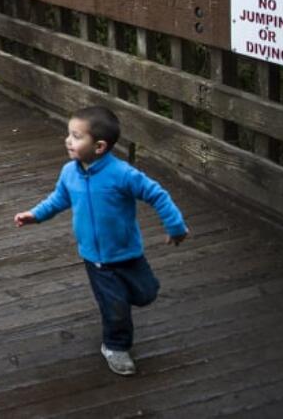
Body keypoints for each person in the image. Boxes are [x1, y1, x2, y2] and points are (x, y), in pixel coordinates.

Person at [14, 106, 188, 377]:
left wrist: (175, 226)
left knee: (146, 294)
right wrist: (35, 215)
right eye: (68, 134)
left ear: (99, 146)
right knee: (115, 308)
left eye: (76, 136)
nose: (68, 140)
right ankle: (115, 347)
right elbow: (59, 199)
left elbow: (157, 194)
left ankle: (123, 302)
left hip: (128, 252)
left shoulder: (122, 174)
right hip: (95, 259)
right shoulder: (69, 173)